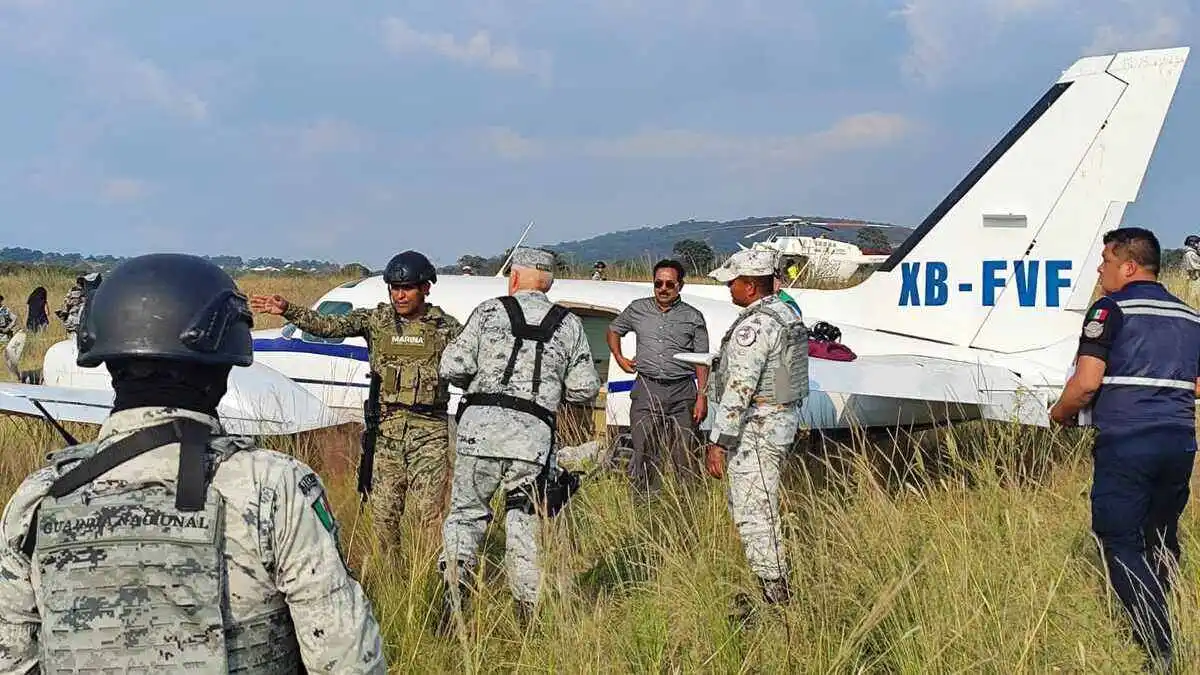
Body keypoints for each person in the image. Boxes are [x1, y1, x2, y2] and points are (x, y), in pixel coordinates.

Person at [0, 253, 385, 673]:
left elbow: (14, 660)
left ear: (110, 364)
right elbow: (347, 661)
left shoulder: (39, 499)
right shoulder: (274, 489)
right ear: (222, 369)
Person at [1050, 227, 1200, 668]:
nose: (1100, 271)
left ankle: (1158, 647)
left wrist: (1059, 414)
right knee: (1160, 534)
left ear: (1128, 266)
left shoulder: (1109, 310)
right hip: (1179, 442)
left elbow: (1087, 382)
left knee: (1119, 538)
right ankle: (1168, 611)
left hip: (1127, 441)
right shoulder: (1191, 317)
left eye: (1105, 262)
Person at [250, 250, 463, 549]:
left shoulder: (447, 329)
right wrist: (288, 310)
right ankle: (389, 578)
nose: (400, 296)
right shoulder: (376, 320)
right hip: (387, 432)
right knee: (383, 516)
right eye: (395, 289)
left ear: (425, 288)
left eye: (407, 288)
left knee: (432, 514)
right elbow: (328, 326)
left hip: (430, 433)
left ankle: (433, 579)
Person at [438, 247, 601, 621]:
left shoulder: (489, 311)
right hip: (532, 442)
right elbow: (584, 388)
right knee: (524, 523)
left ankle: (453, 603)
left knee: (465, 516)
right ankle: (526, 614)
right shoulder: (569, 324)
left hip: (478, 433)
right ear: (549, 284)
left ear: (513, 277)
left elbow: (452, 365)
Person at [703, 248, 808, 612]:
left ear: (750, 286)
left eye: (734, 282)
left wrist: (719, 440)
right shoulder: (786, 314)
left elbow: (739, 388)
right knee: (760, 504)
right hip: (779, 420)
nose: (729, 288)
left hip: (758, 427)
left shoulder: (754, 326)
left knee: (754, 511)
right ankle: (770, 584)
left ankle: (775, 596)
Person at [606, 258, 709, 492]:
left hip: (682, 391)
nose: (663, 289)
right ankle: (645, 505)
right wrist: (620, 357)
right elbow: (613, 330)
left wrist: (702, 395)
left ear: (680, 286)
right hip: (647, 388)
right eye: (658, 283)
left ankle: (684, 506)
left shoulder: (693, 317)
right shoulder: (637, 309)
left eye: (669, 284)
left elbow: (703, 361)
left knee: (683, 454)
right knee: (643, 452)